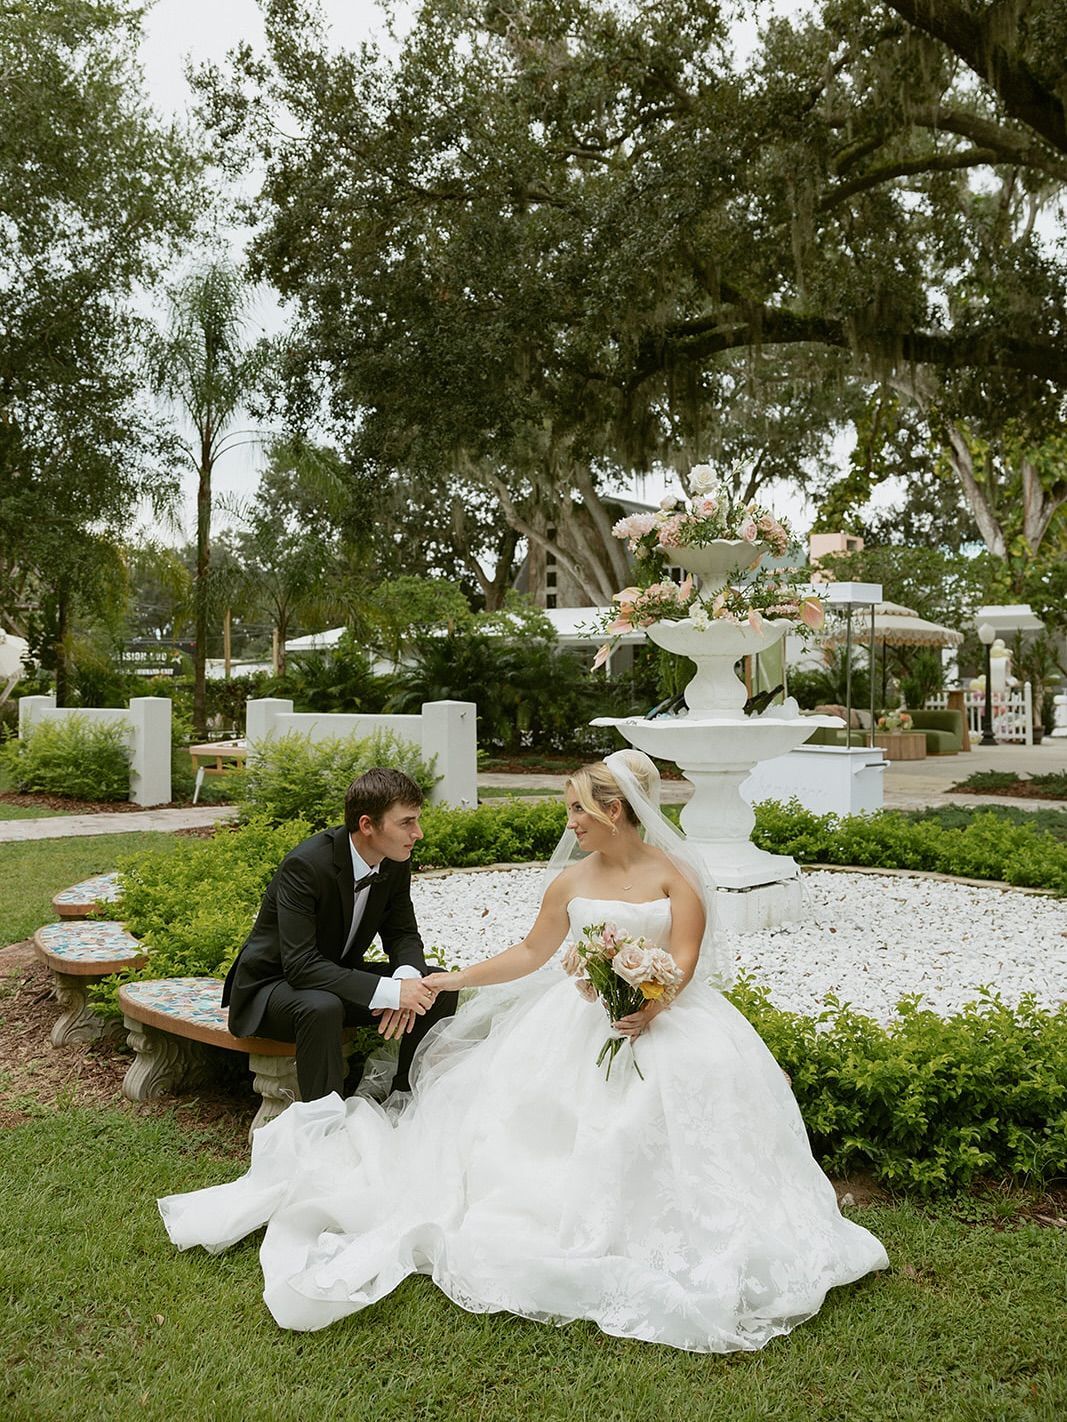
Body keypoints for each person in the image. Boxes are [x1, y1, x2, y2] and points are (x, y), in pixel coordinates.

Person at [163, 750, 888, 1353]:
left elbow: (687, 954)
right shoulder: (569, 880)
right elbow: (532, 952)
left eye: (577, 808)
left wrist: (652, 1000)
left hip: (670, 1019)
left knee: (693, 1094)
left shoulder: (675, 875)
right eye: (569, 808)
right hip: (572, 1022)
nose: (567, 822)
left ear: (616, 810)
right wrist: (446, 979)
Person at [221, 766, 457, 1100]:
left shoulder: (394, 861)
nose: (418, 832)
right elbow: (300, 966)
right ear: (367, 825)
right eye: (406, 822)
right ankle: (325, 1123)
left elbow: (403, 933)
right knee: (322, 1006)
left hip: (332, 977)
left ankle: (405, 1101)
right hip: (272, 987)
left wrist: (406, 982)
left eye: (417, 819)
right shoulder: (305, 866)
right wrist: (391, 992)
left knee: (436, 986)